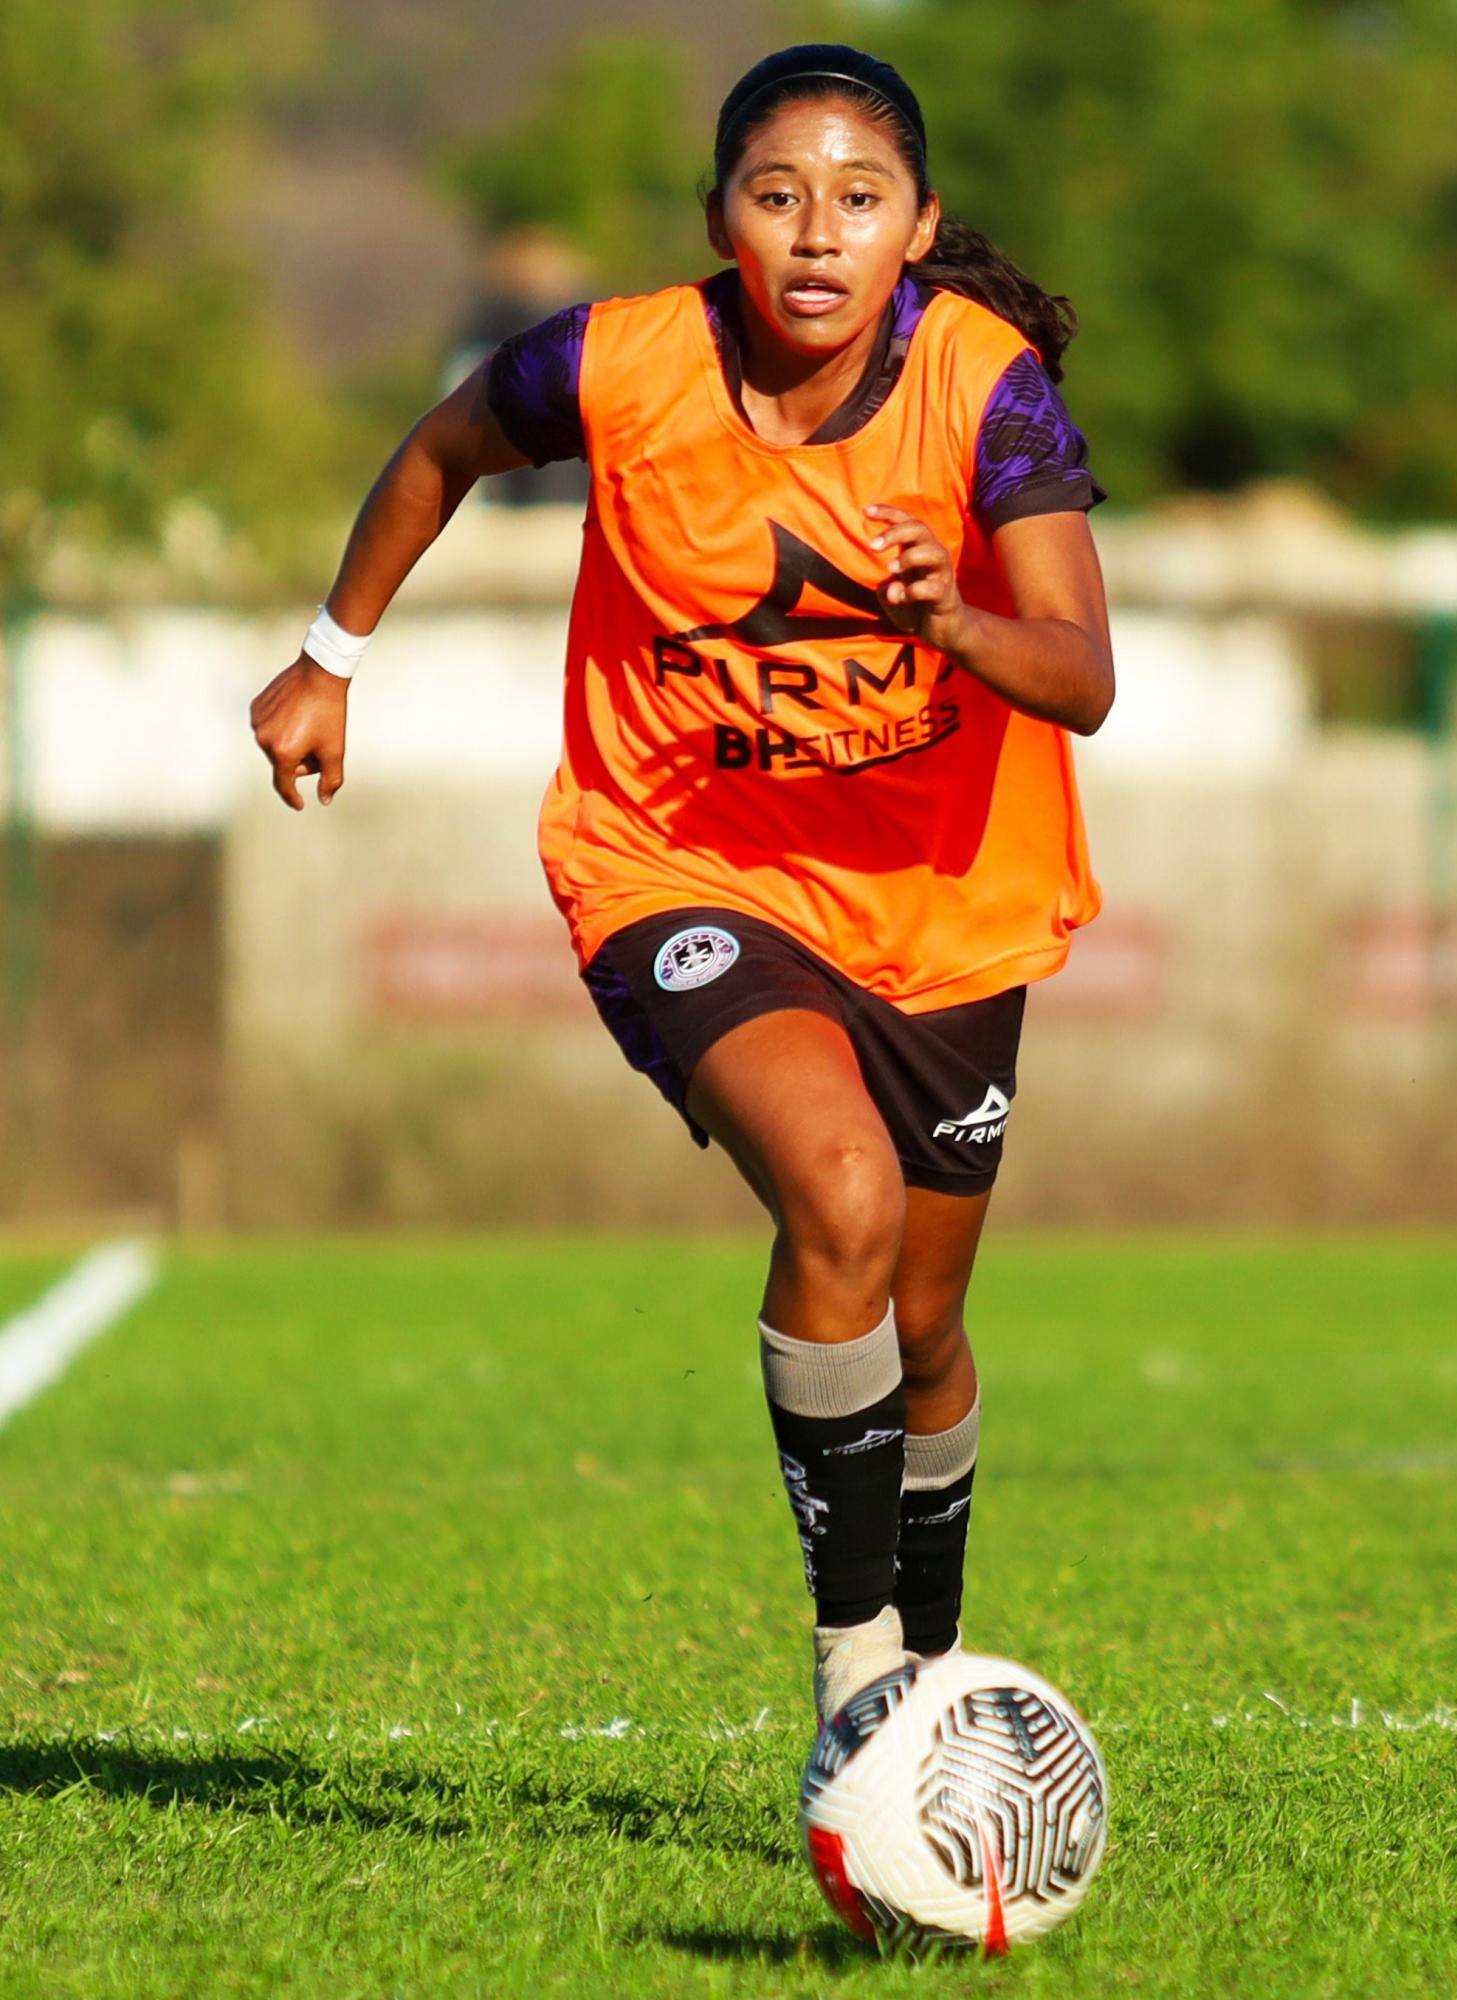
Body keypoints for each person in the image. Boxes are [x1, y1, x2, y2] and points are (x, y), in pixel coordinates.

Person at [250, 42, 1113, 1725]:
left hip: (943, 901)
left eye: (858, 200)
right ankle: (858, 1671)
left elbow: (1078, 674)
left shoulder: (985, 387)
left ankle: (927, 1681)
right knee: (840, 1200)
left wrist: (950, 621)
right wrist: (325, 655)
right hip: (675, 858)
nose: (815, 234)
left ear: (916, 228)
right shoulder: (616, 362)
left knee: (923, 1332)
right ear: (720, 218)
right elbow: (437, 452)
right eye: (776, 195)